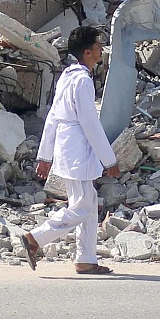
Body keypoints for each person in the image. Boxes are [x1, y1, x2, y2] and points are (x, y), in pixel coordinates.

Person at [21, 26, 118, 275]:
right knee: (84, 205)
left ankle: (85, 258)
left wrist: (45, 156)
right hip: (78, 150)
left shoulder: (66, 76)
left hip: (67, 148)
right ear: (87, 52)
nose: (101, 50)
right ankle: (35, 238)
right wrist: (109, 160)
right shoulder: (83, 81)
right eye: (98, 46)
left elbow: (52, 117)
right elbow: (90, 124)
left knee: (87, 201)